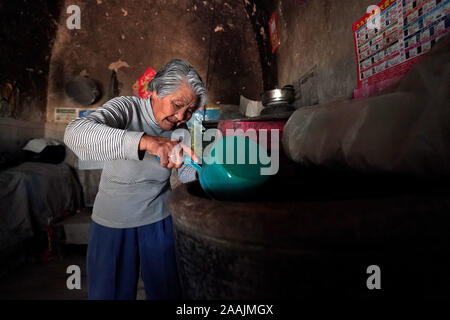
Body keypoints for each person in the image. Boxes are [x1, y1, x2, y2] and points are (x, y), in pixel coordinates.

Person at [64, 59, 207, 300]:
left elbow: (186, 174)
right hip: (112, 219)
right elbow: (75, 133)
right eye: (177, 104)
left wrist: (198, 171)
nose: (181, 116)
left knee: (168, 292)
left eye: (190, 110)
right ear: (154, 92)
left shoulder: (184, 127)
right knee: (109, 293)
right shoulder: (126, 108)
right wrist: (147, 141)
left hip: (159, 218)